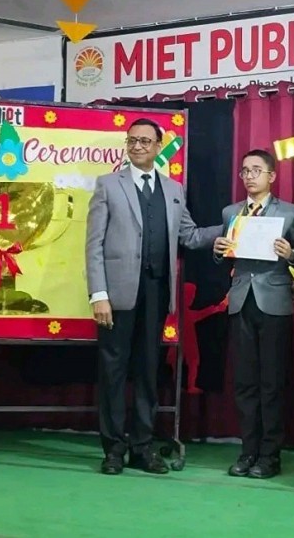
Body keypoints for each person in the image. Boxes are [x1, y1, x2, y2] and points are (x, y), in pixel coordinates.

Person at [85, 118, 220, 476]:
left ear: (159, 147)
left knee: (148, 371)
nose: (138, 146)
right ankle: (114, 450)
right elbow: (93, 244)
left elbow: (189, 236)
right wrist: (99, 294)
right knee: (113, 371)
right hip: (116, 295)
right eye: (132, 140)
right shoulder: (108, 185)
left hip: (157, 292)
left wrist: (233, 227)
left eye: (145, 141)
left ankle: (142, 448)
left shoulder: (174, 189)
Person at [213, 149, 294, 480]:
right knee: (244, 381)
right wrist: (218, 251)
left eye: (256, 170)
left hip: (275, 302)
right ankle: (248, 450)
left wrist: (291, 253)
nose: (249, 176)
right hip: (241, 300)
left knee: (272, 381)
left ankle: (270, 455)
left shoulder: (288, 212)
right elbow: (226, 255)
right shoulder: (231, 212)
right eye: (245, 171)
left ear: (271, 176)